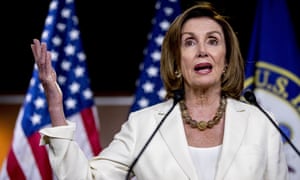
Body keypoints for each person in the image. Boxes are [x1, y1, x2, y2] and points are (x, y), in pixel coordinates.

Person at [31, 1, 289, 180]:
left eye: (213, 40)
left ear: (227, 61)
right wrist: (55, 106)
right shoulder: (143, 125)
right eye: (189, 42)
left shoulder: (261, 124)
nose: (202, 50)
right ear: (177, 62)